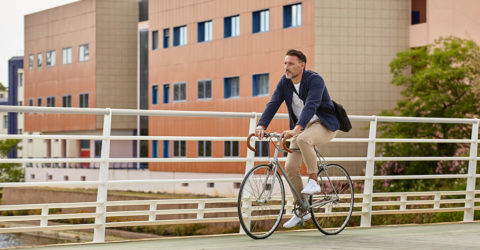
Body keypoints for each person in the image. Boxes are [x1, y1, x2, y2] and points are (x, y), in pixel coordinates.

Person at [255, 49, 339, 228]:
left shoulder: (315, 80)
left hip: (323, 124)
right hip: (301, 127)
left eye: (291, 64)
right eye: (285, 63)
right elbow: (273, 103)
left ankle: (314, 181)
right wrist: (261, 125)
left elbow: (311, 105)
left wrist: (297, 129)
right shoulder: (284, 82)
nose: (286, 67)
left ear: (302, 65)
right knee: (290, 167)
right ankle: (302, 210)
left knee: (303, 139)